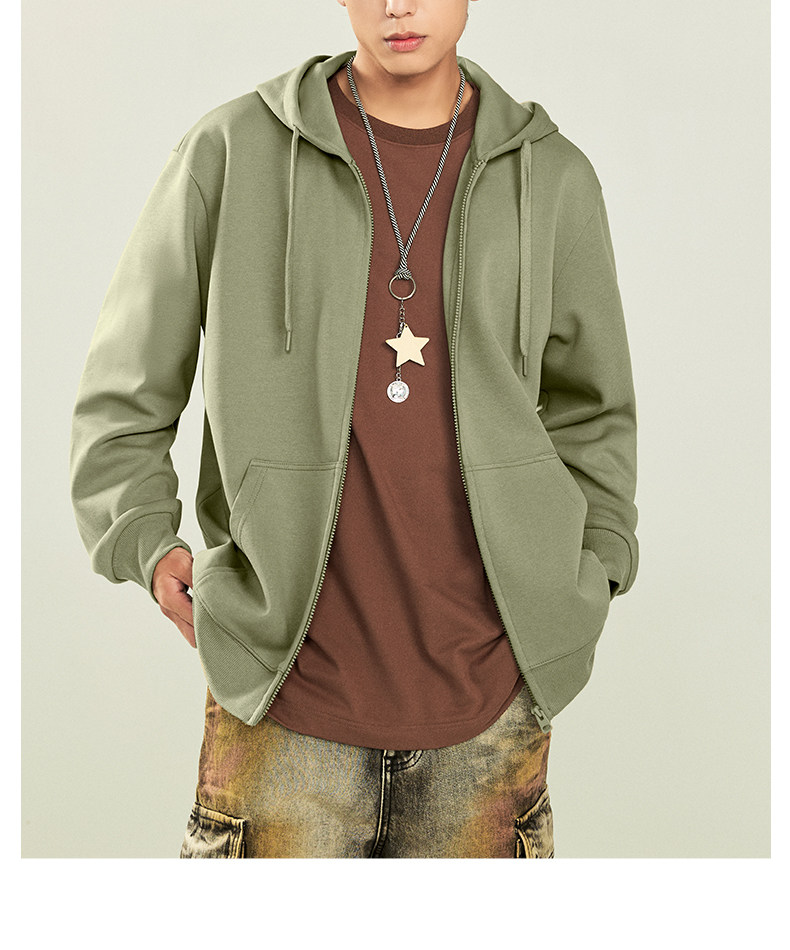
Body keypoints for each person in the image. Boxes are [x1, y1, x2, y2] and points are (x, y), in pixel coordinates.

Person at [69, 0, 639, 859]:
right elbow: (125, 383)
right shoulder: (232, 150)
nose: (396, 4)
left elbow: (596, 409)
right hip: (280, 697)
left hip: (490, 709)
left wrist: (592, 571)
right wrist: (144, 540)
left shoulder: (552, 176)